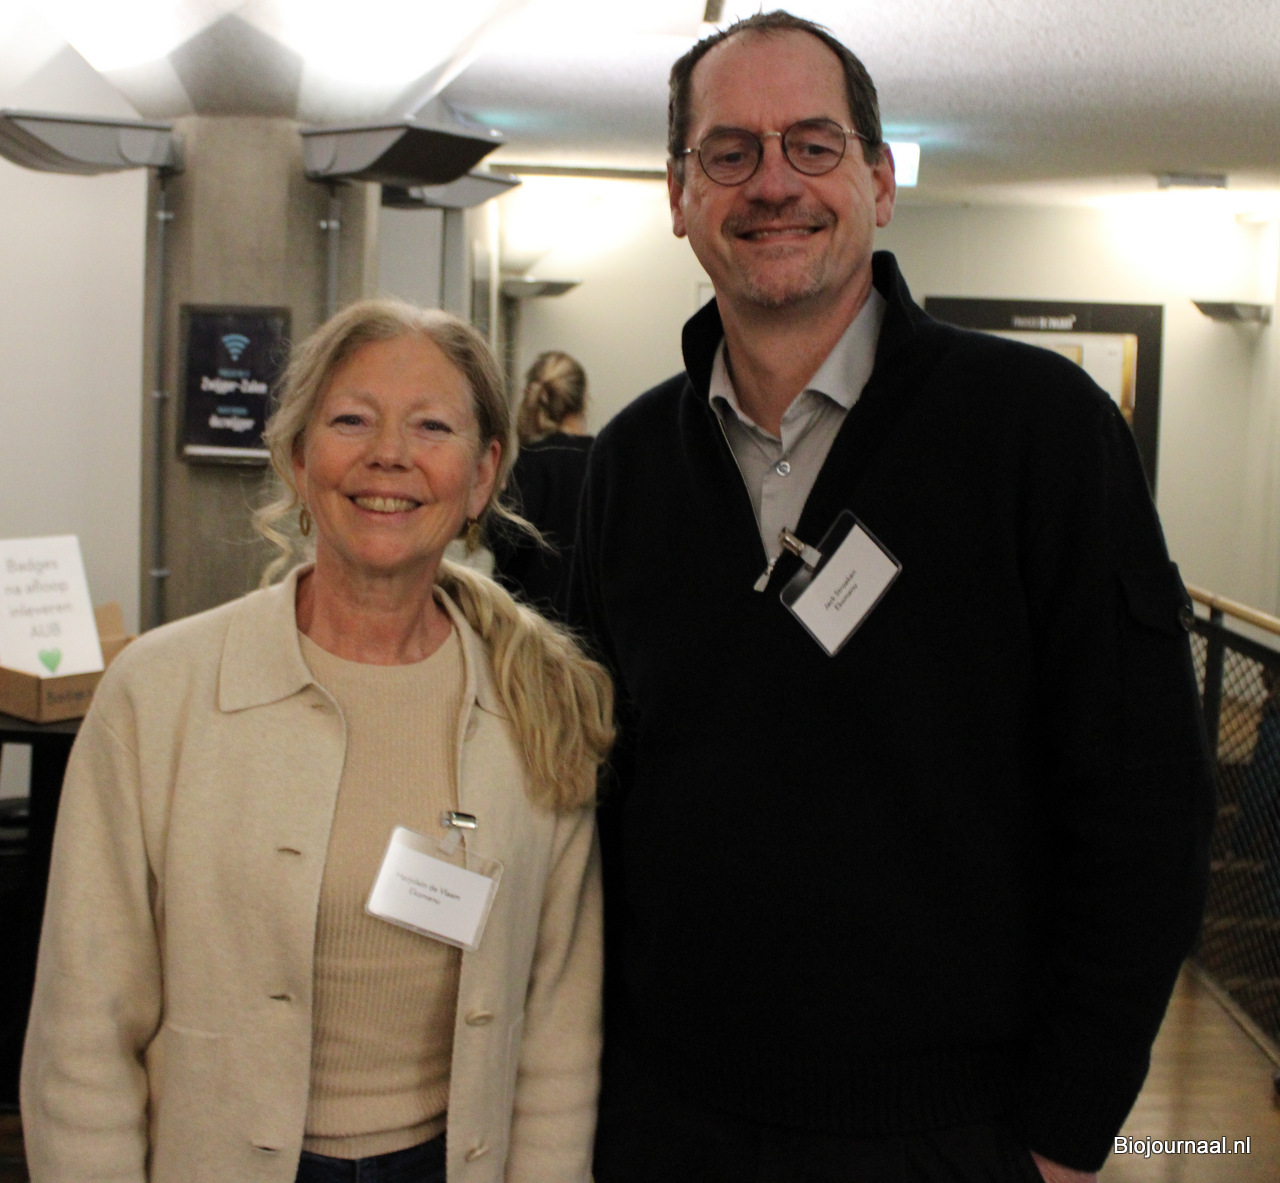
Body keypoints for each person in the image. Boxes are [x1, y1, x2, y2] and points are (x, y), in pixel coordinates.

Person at [569, 12, 1215, 1183]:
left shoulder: (1037, 432)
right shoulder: (628, 466)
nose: (772, 183)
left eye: (812, 145)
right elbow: (598, 802)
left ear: (878, 180)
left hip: (950, 1137)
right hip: (665, 1127)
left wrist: (1064, 1131)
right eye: (729, 152)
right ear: (677, 196)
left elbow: (1143, 803)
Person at [21, 300, 613, 1183]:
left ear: (482, 474)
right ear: (298, 459)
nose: (389, 454)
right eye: (351, 420)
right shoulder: (158, 695)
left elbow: (557, 1036)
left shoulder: (540, 702)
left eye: (432, 426)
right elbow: (82, 1036)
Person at [490, 352, 594, 616]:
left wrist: (491, 503)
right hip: (594, 627)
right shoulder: (604, 461)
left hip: (532, 625)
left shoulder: (531, 464)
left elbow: (503, 540)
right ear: (584, 401)